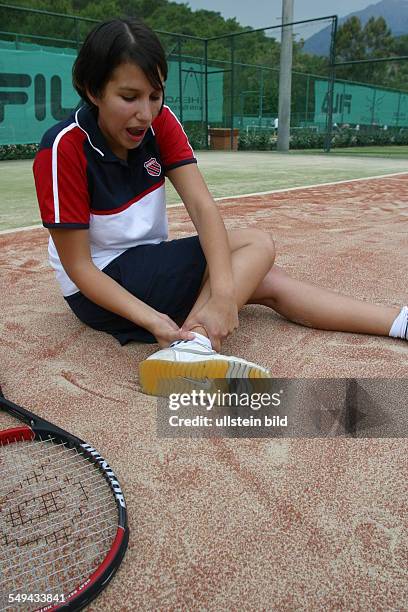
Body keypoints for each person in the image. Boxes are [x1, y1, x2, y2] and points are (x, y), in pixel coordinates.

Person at [33, 18, 408, 396]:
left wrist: (226, 294)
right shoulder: (63, 147)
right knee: (255, 245)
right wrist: (154, 320)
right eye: (129, 98)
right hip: (100, 286)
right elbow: (79, 267)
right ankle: (194, 345)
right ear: (93, 90)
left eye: (154, 95)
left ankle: (400, 322)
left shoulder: (159, 123)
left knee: (260, 280)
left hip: (146, 262)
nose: (145, 113)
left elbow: (202, 205)